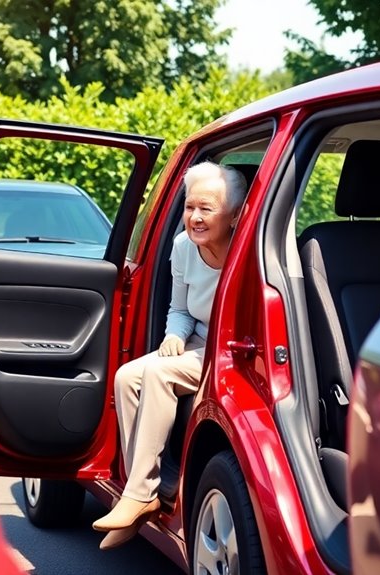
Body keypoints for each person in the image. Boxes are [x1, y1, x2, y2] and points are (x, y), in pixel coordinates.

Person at [92, 161, 247, 550]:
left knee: (160, 376)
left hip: (230, 350)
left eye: (206, 209)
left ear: (235, 214)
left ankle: (139, 495)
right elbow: (179, 309)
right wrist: (173, 337)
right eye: (189, 207)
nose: (193, 217)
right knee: (128, 375)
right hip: (196, 343)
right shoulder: (182, 247)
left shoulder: (250, 249)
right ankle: (139, 491)